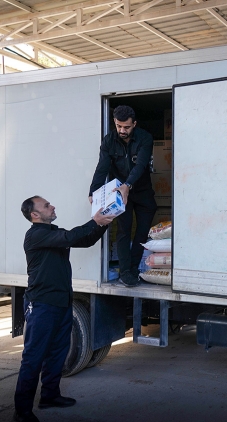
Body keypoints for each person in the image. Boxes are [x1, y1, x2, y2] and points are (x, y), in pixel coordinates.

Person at [14, 196, 115, 422]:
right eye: (46, 205)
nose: (52, 206)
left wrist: (103, 223)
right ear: (35, 215)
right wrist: (94, 220)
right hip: (42, 305)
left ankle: (49, 396)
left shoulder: (53, 232)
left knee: (58, 353)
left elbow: (85, 240)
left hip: (61, 302)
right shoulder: (35, 235)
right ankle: (22, 410)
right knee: (33, 358)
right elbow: (71, 237)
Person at [89, 105, 158, 287]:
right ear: (114, 122)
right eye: (119, 126)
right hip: (119, 193)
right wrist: (93, 191)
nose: (122, 130)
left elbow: (141, 165)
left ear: (134, 124)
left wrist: (128, 185)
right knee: (123, 231)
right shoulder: (108, 141)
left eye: (126, 127)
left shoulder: (145, 138)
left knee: (142, 231)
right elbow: (102, 167)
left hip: (142, 191)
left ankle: (134, 269)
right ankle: (125, 272)